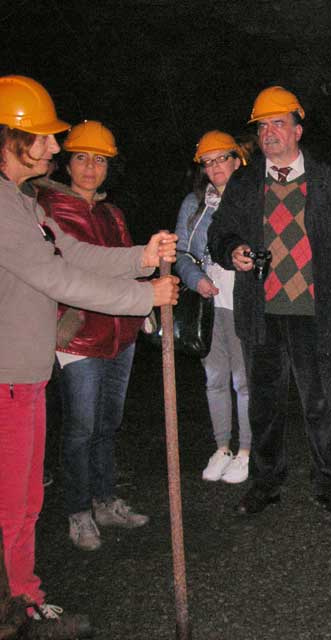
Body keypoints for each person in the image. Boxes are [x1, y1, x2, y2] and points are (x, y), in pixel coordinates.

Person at [0, 74, 178, 637]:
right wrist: (143, 294)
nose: (56, 148)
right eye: (47, 139)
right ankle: (20, 608)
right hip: (5, 377)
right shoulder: (5, 209)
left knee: (26, 498)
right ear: (9, 139)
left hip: (24, 373)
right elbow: (57, 275)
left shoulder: (25, 203)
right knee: (12, 503)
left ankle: (22, 599)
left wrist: (140, 257)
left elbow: (72, 251)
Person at [208, 85, 331, 515]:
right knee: (264, 406)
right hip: (261, 313)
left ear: (297, 130)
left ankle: (329, 483)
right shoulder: (245, 181)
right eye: (262, 126)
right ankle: (266, 482)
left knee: (319, 404)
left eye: (277, 123)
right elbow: (218, 232)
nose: (268, 133)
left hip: (314, 312)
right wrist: (233, 251)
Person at [36, 121, 150, 552]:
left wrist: (151, 262)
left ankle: (105, 500)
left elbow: (129, 264)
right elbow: (83, 266)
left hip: (120, 334)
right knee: (81, 428)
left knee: (107, 424)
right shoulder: (50, 209)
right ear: (67, 162)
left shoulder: (110, 213)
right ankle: (78, 511)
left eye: (99, 160)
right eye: (82, 157)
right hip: (79, 338)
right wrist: (138, 263)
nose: (90, 168)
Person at [174, 131, 251, 484]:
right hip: (209, 302)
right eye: (209, 161)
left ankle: (247, 451)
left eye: (223, 158)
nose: (216, 166)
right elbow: (181, 253)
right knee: (215, 378)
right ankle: (222, 447)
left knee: (244, 380)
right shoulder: (194, 205)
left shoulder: (255, 198)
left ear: (237, 160)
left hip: (245, 301)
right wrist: (195, 279)